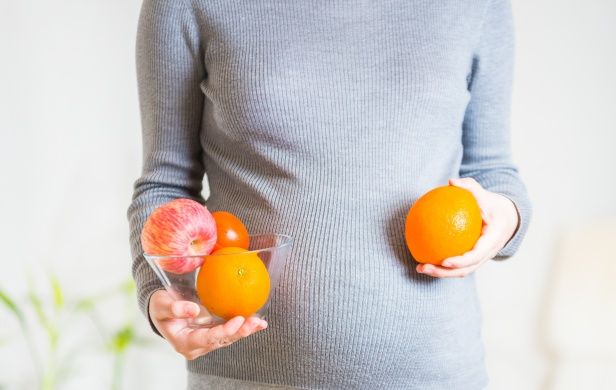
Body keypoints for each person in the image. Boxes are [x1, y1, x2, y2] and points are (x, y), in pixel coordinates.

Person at [126, 0, 532, 388]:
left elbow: (493, 172)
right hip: (248, 374)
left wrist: (507, 217)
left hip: (434, 373)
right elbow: (164, 183)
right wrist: (157, 294)